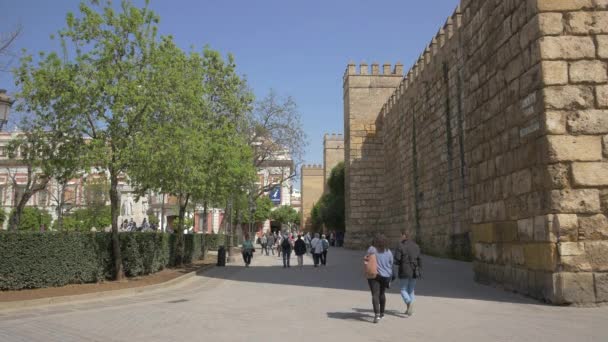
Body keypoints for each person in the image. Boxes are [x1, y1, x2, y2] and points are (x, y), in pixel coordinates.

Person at [366, 234, 393, 324]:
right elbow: (391, 263)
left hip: (374, 275)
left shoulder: (372, 249)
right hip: (385, 276)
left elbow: (366, 260)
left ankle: (376, 315)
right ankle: (382, 313)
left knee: (375, 294)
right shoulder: (388, 251)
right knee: (382, 293)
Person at [394, 231, 422, 316]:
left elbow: (397, 259)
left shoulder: (400, 245)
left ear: (404, 236)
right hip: (414, 270)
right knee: (411, 291)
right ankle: (409, 309)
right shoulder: (416, 246)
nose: (400, 237)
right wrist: (420, 269)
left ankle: (409, 303)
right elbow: (419, 259)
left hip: (404, 270)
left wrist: (397, 263)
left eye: (401, 235)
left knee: (403, 289)